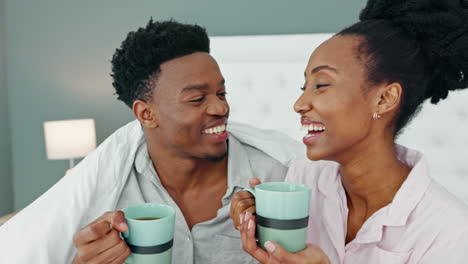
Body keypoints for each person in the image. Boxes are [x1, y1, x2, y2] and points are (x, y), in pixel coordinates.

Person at [0, 20, 302, 263]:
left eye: (221, 94)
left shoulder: (279, 179)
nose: (221, 109)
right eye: (197, 99)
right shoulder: (109, 198)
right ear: (146, 113)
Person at [231, 0, 468, 263]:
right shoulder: (303, 177)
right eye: (303, 88)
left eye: (321, 85)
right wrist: (261, 225)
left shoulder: (451, 233)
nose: (299, 104)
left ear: (384, 99)